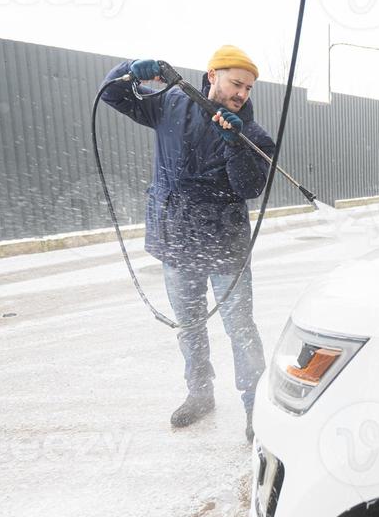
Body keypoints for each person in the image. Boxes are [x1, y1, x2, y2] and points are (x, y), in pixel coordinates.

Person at [98, 45, 276, 438]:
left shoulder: (254, 135)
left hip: (226, 246)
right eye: (235, 83)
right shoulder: (168, 104)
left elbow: (249, 187)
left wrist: (235, 143)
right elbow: (111, 94)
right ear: (212, 75)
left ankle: (253, 405)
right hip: (177, 240)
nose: (242, 94)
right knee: (189, 325)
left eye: (248, 88)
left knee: (240, 328)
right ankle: (200, 393)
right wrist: (130, 70)